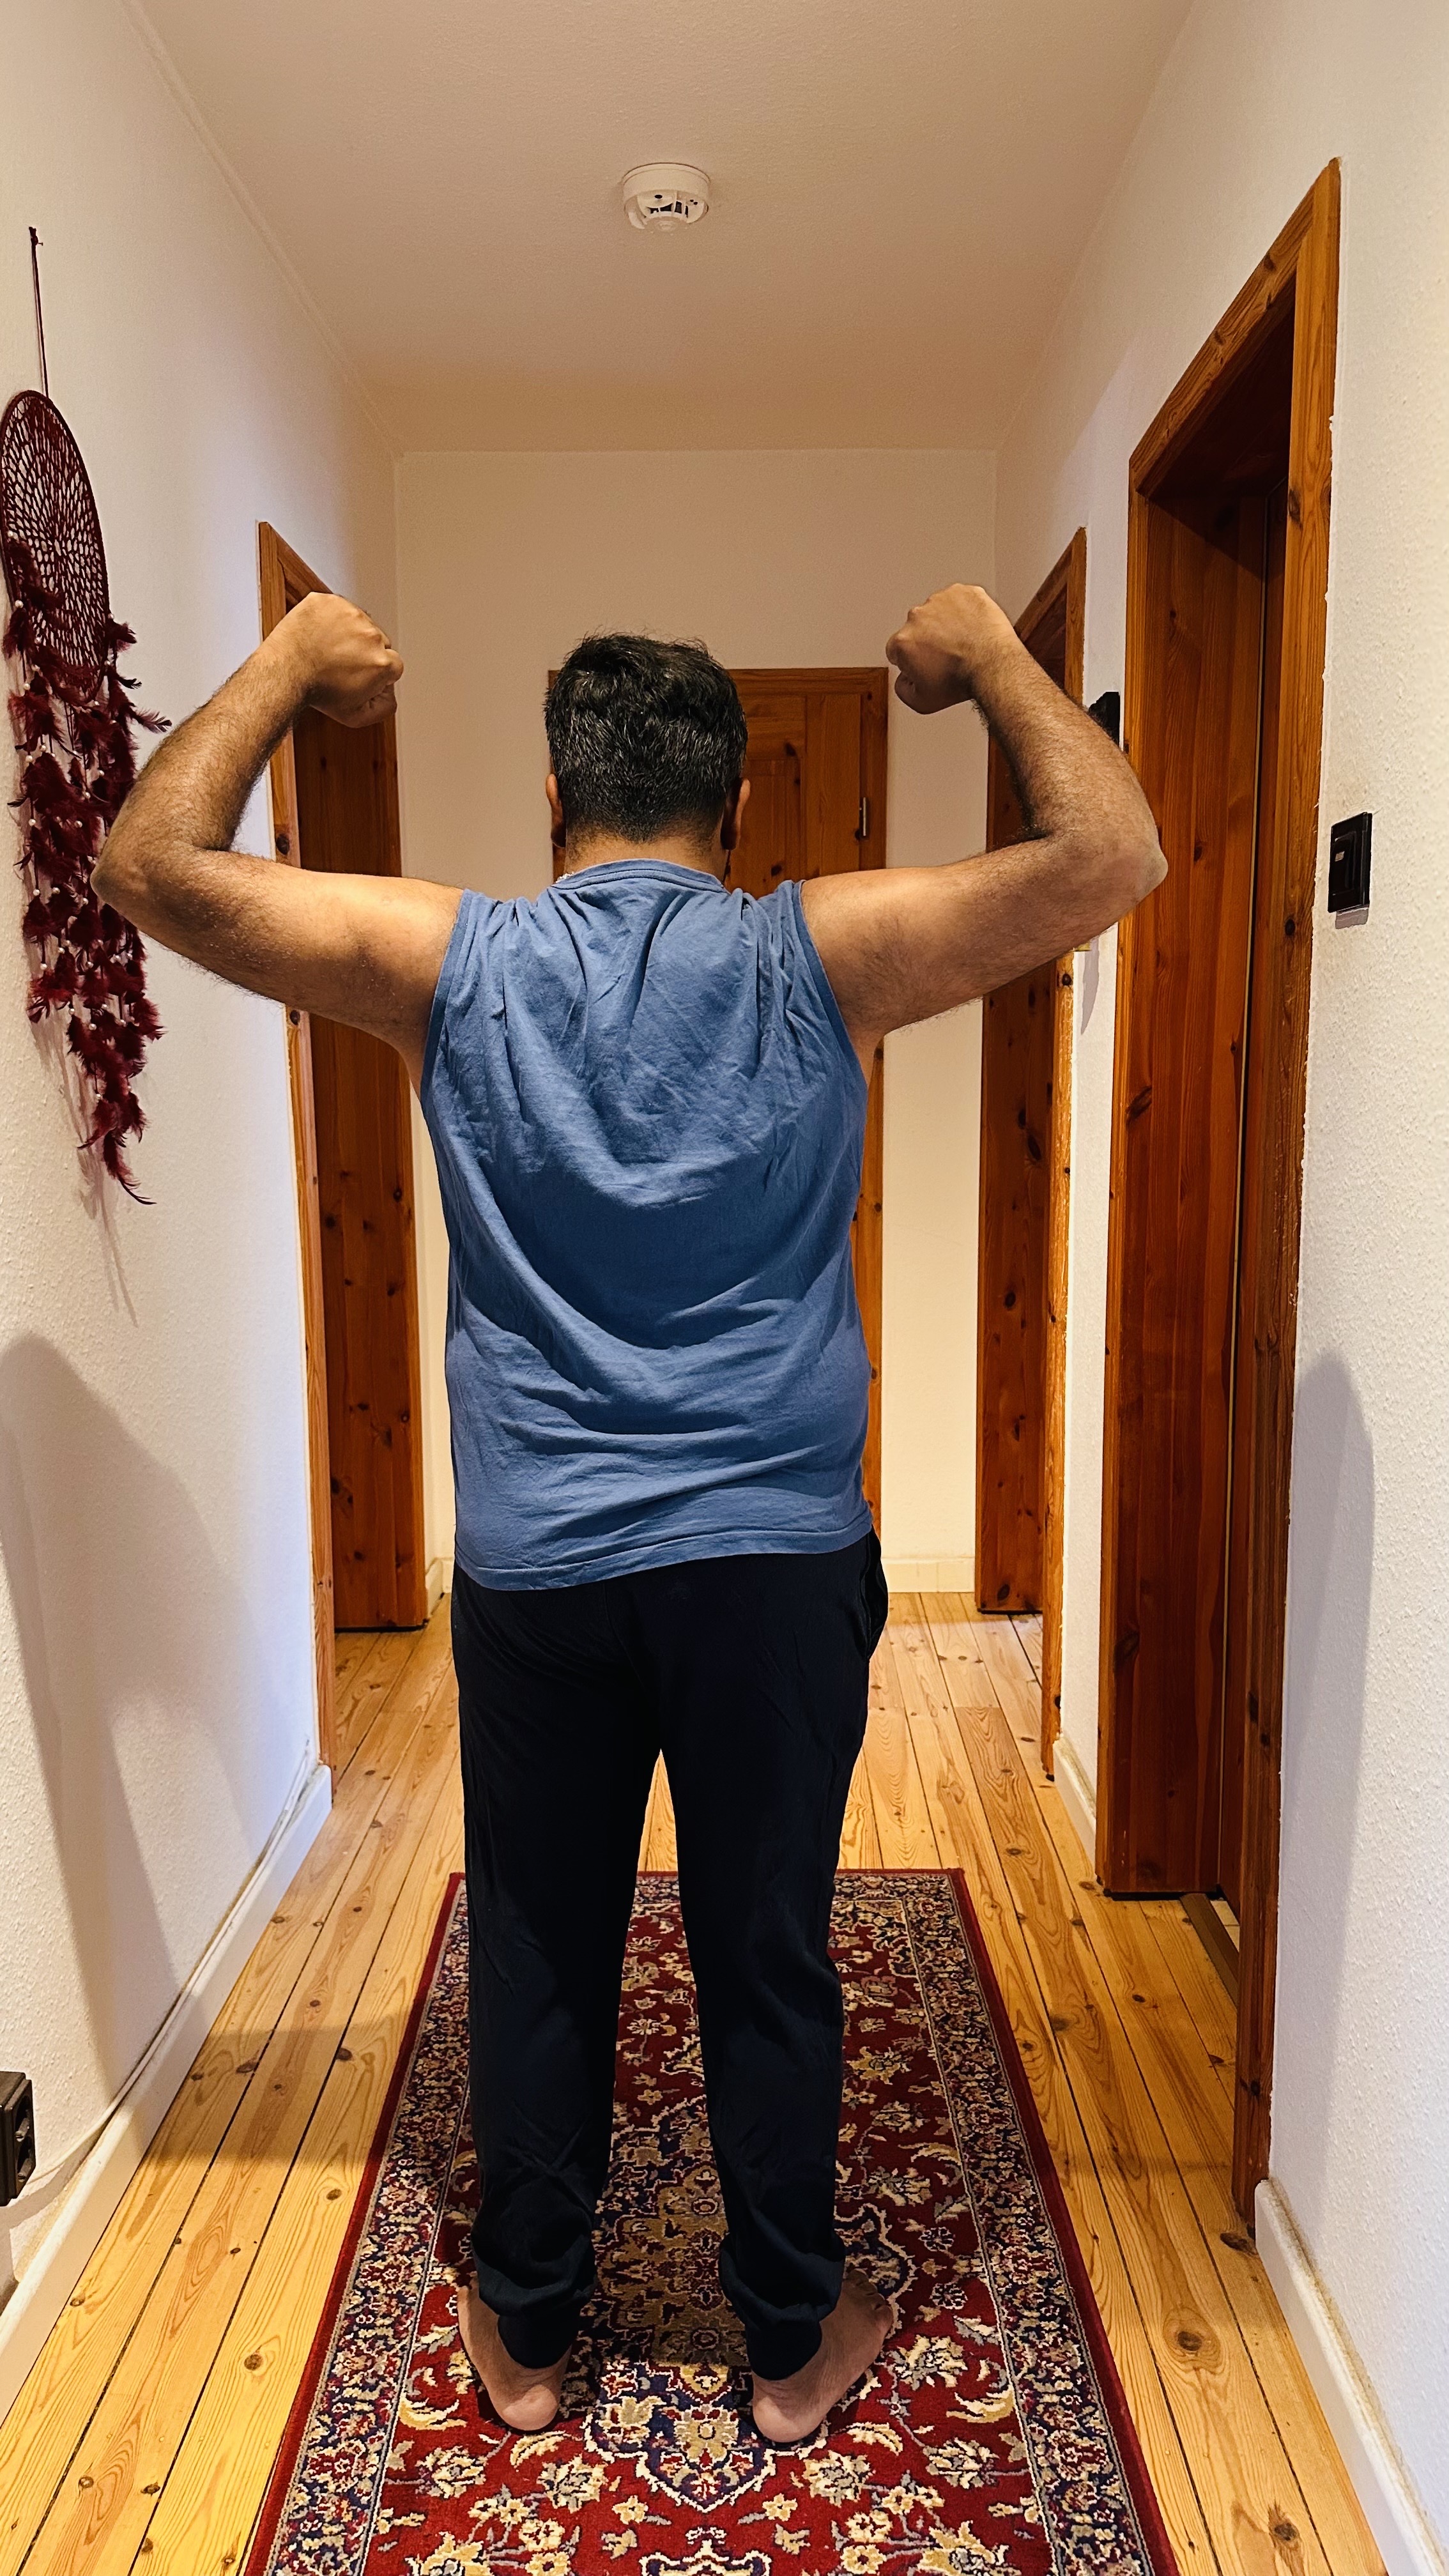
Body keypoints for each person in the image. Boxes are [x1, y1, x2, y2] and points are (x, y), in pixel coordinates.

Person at [96, 580, 1163, 2446]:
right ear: (733, 804)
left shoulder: (451, 960)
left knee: (540, 1945)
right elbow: (1112, 850)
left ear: (552, 796)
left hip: (543, 1572)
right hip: (772, 1566)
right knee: (765, 1946)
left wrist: (288, 660)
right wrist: (991, 655)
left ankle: (525, 2334)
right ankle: (787, 2343)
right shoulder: (820, 953)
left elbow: (148, 866)